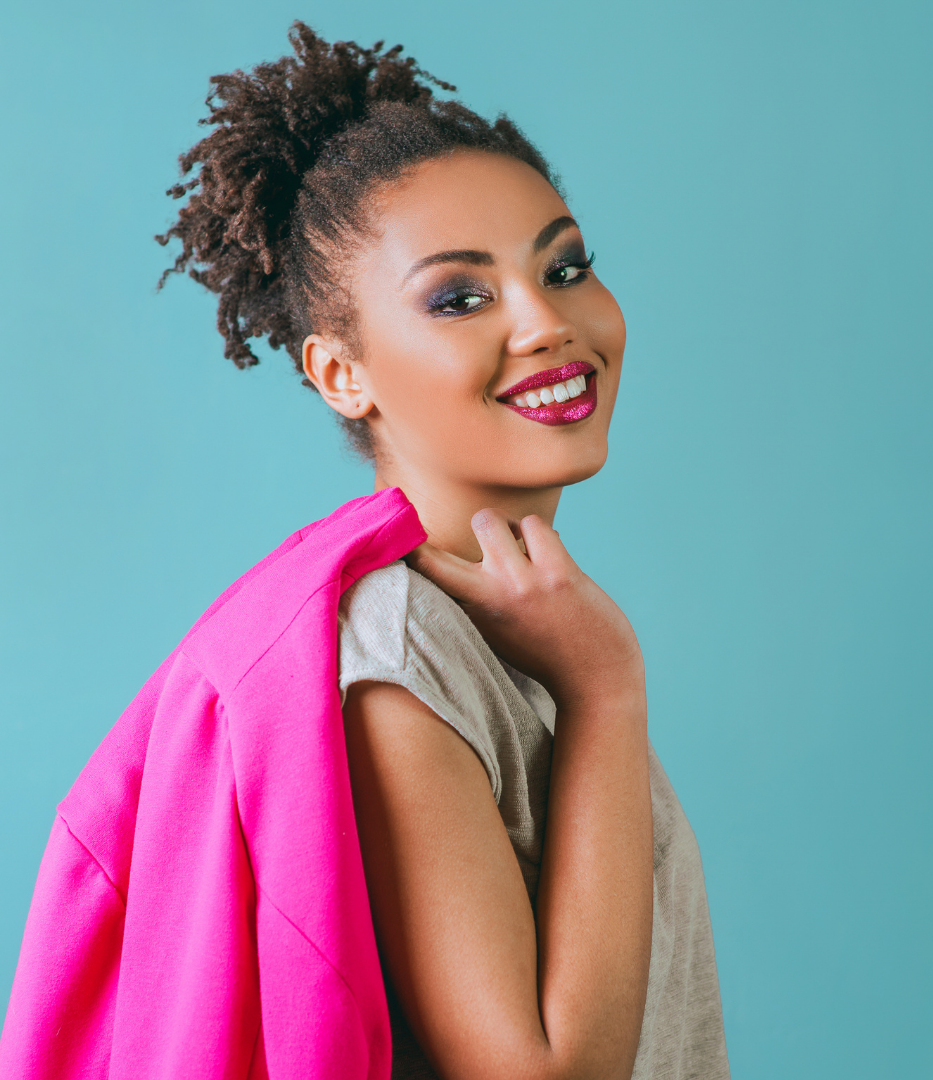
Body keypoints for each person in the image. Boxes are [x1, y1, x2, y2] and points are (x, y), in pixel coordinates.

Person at [1, 23, 729, 1080]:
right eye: (460, 297)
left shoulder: (519, 626)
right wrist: (606, 691)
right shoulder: (400, 653)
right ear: (343, 374)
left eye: (565, 267)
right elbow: (543, 1072)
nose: (545, 322)